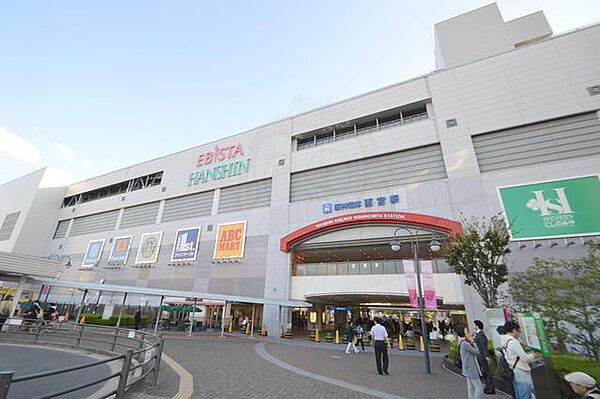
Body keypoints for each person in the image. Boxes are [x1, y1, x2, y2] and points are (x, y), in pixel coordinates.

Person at [503, 321, 536, 399]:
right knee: (525, 394)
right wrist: (533, 355)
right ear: (514, 330)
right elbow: (525, 358)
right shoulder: (513, 342)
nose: (520, 333)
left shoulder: (504, 340)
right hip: (521, 371)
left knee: (519, 393)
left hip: (513, 369)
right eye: (519, 331)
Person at [457, 326, 483, 399]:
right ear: (463, 333)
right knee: (479, 388)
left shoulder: (462, 342)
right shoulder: (465, 344)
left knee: (471, 388)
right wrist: (473, 341)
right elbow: (477, 352)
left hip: (467, 368)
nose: (468, 332)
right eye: (466, 331)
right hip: (471, 368)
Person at [473, 320, 496, 394]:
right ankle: (488, 386)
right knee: (484, 372)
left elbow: (483, 346)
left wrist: (486, 356)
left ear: (477, 326)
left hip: (482, 356)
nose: (474, 326)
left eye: (474, 325)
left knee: (486, 372)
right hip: (481, 356)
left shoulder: (480, 335)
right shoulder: (478, 334)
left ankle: (490, 388)